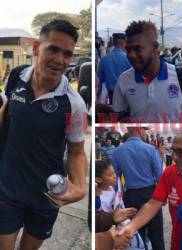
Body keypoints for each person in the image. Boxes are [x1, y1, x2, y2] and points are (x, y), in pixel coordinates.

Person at [0, 19, 87, 250]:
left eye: (67, 54)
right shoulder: (17, 75)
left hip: (47, 194)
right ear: (37, 48)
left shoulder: (74, 104)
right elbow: (8, 113)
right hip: (7, 187)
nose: (60, 60)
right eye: (53, 49)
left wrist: (79, 187)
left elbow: (77, 151)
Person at [112, 20, 182, 123]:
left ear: (154, 47)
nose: (131, 55)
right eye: (128, 50)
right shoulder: (123, 80)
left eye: (138, 49)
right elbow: (118, 118)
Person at [111, 127, 165, 250]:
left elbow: (115, 180)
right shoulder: (150, 149)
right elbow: (160, 177)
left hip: (131, 196)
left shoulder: (117, 151)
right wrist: (162, 197)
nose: (146, 133)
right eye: (145, 130)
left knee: (135, 235)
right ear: (139, 130)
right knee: (156, 235)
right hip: (151, 195)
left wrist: (116, 202)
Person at [95, 159, 137, 250]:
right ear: (98, 179)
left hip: (123, 224)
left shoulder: (113, 186)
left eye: (114, 173)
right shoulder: (99, 199)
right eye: (110, 175)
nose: (114, 176)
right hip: (112, 231)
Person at [98, 33, 131, 104]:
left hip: (112, 95)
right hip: (127, 94)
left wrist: (98, 99)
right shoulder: (128, 58)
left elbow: (99, 81)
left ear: (113, 43)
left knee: (113, 113)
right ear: (123, 43)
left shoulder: (104, 59)